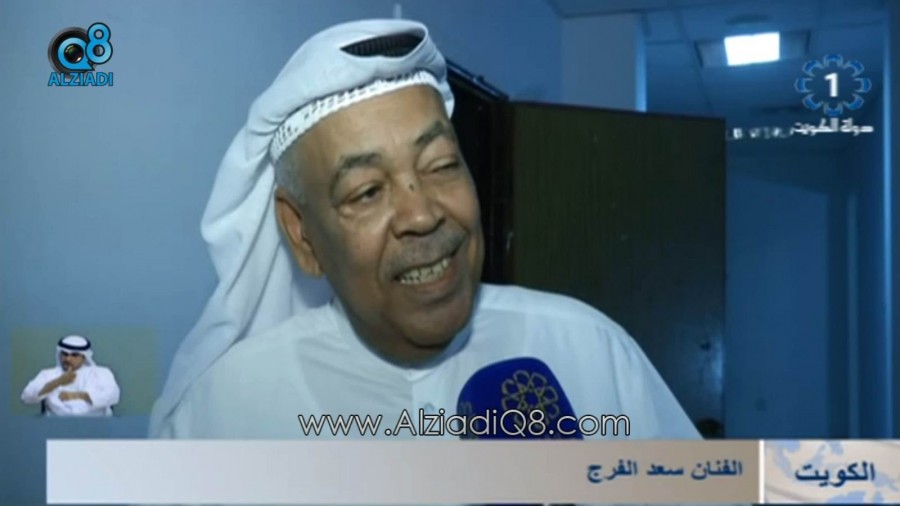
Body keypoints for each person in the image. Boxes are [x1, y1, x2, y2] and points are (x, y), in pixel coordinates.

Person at [148, 18, 700, 440]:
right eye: (367, 191)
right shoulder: (220, 416)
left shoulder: (593, 355)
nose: (423, 215)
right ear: (302, 236)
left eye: (441, 165)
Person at [21, 335, 120, 416]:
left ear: (84, 357)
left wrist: (78, 395)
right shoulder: (47, 374)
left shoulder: (101, 373)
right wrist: (57, 382)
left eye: (74, 355)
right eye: (64, 354)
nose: (68, 359)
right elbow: (27, 397)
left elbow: (113, 396)